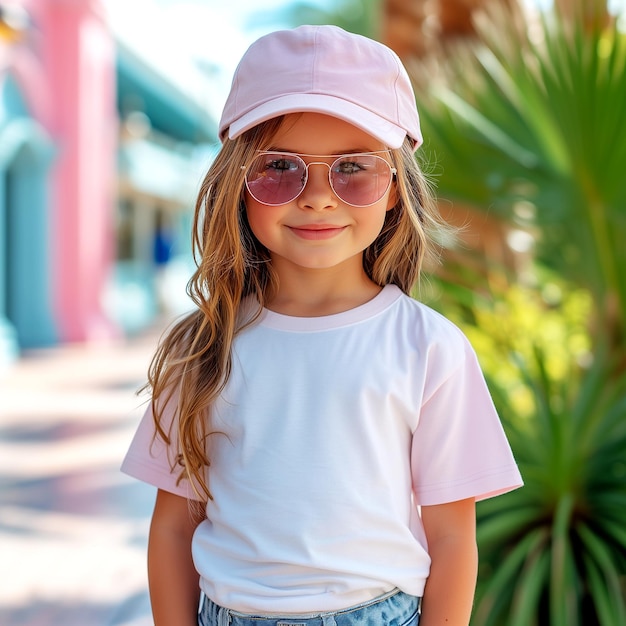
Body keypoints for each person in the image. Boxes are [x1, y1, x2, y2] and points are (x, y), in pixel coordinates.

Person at [121, 24, 523, 626]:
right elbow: (174, 533)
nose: (317, 197)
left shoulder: (430, 349)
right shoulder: (202, 345)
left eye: (352, 169)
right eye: (279, 167)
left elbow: (452, 541)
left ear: (394, 190)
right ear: (237, 183)